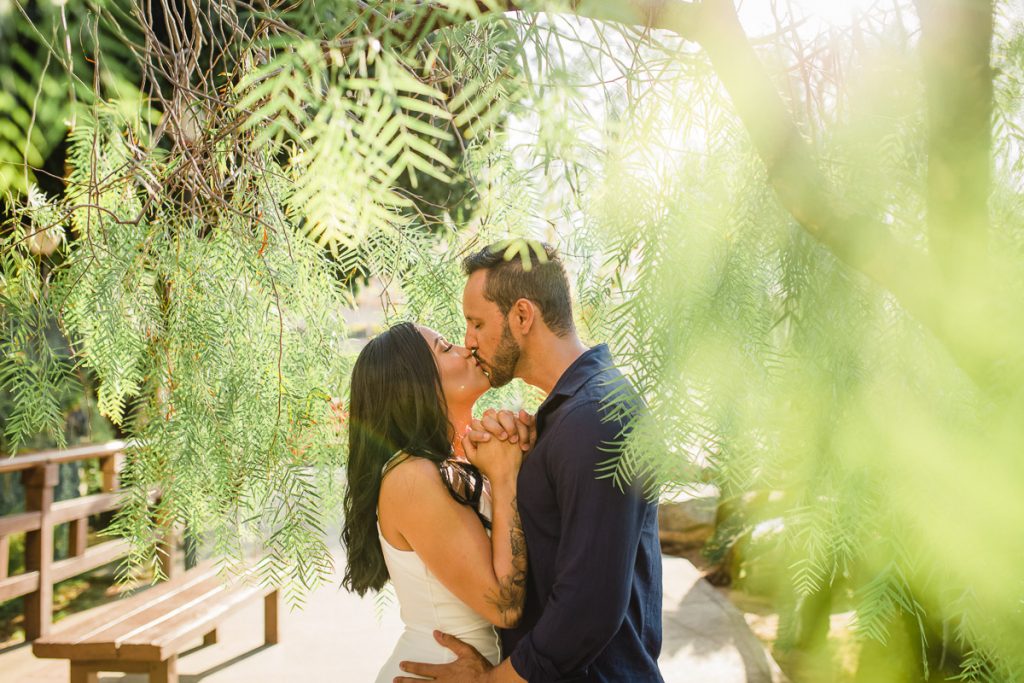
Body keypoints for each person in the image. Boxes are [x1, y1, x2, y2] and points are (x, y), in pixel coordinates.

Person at [395, 242, 664, 682]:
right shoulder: (562, 418)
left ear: (522, 316)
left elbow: (587, 608)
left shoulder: (596, 417)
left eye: (477, 323)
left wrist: (491, 681)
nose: (468, 341)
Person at [341, 321, 533, 683]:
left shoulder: (446, 465)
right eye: (446, 349)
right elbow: (505, 605)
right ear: (416, 385)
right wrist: (506, 478)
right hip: (438, 668)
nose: (466, 349)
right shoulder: (412, 478)